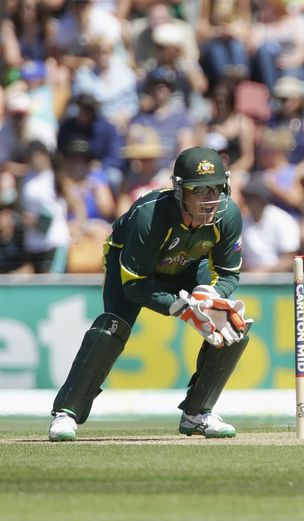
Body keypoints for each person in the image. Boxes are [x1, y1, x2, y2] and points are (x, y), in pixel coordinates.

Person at [48, 147, 251, 442]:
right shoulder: (150, 216)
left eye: (216, 189)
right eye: (200, 191)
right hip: (132, 266)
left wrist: (210, 295)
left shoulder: (228, 215)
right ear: (181, 191)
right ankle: (66, 414)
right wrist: (181, 308)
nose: (210, 200)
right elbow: (135, 285)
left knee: (233, 327)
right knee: (112, 328)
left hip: (189, 265)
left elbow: (229, 273)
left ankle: (197, 414)